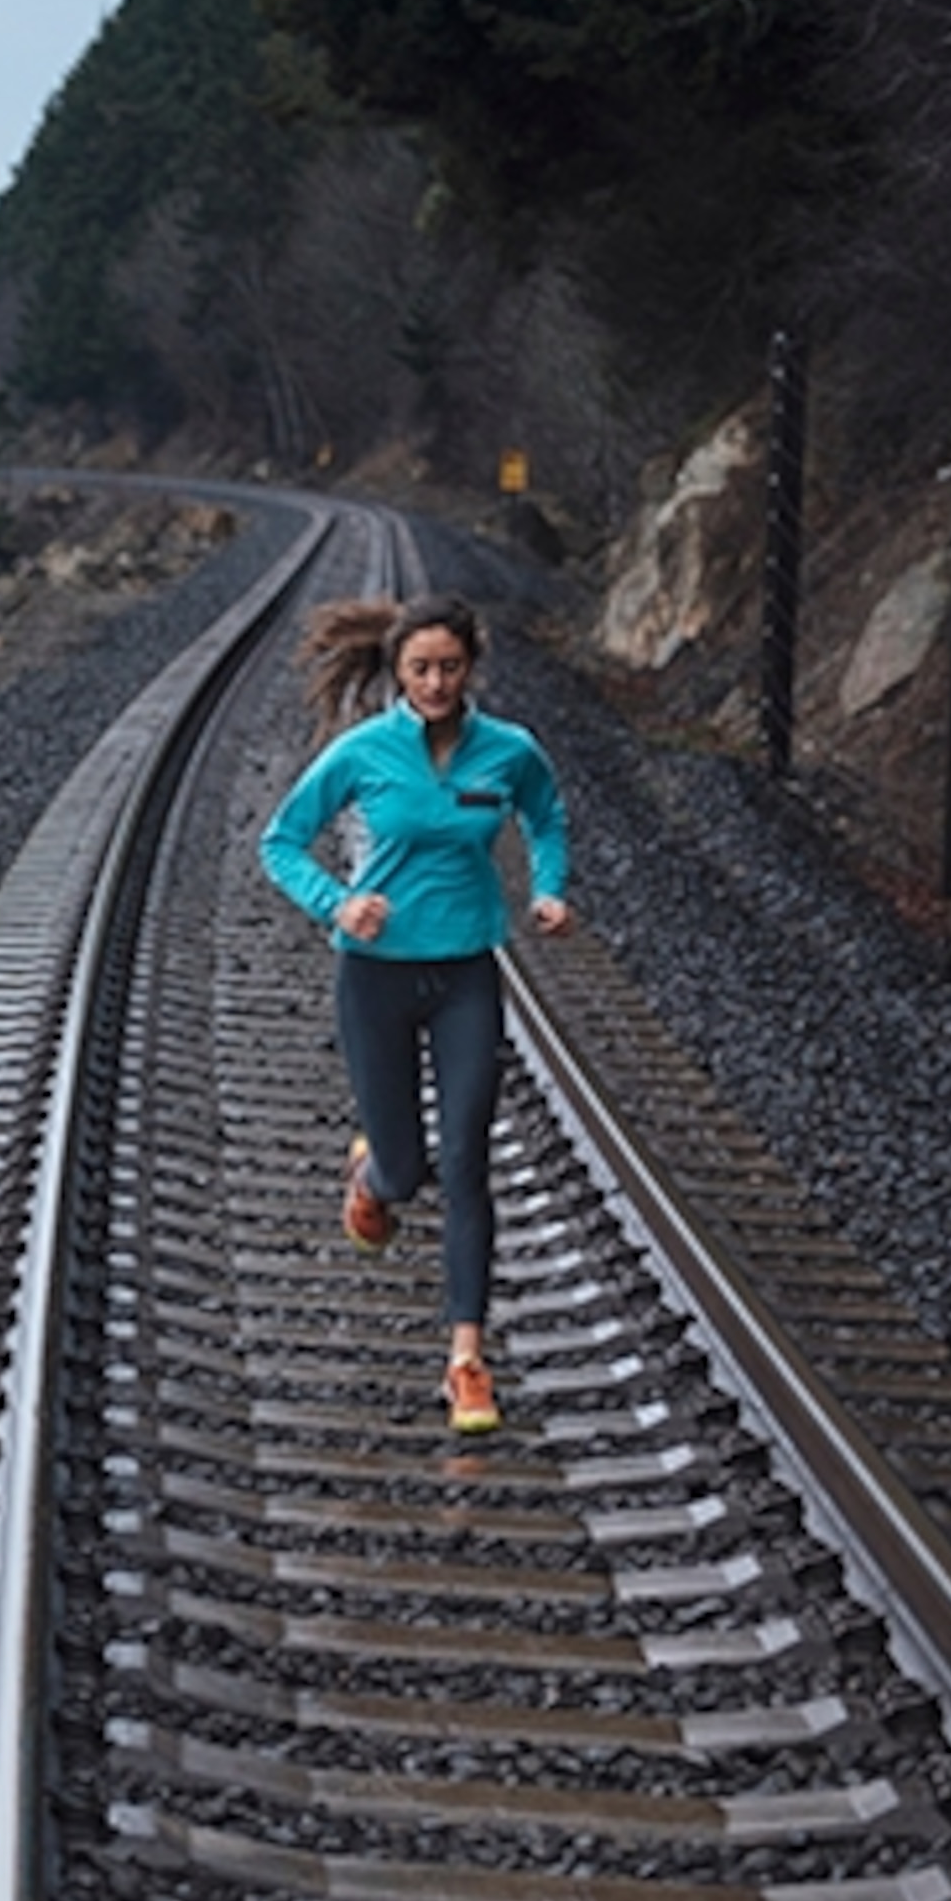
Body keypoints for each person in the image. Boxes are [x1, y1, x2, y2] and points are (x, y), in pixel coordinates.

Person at [256, 594, 572, 1436]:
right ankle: (372, 1177)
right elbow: (280, 841)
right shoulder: (361, 753)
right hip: (377, 981)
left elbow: (545, 815)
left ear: (473, 666)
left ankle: (466, 1360)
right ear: (398, 671)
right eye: (421, 668)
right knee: (407, 1170)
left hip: (468, 971)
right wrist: (337, 903)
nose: (436, 682)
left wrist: (548, 887)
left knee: (466, 1156)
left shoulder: (509, 751)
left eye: (451, 667)